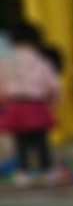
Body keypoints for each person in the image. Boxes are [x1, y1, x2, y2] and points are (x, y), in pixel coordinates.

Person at [1, 22, 62, 186]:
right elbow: (52, 83)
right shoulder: (41, 60)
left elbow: (2, 83)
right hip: (36, 104)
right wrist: (54, 98)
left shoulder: (7, 61)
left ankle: (23, 173)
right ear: (36, 40)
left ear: (13, 40)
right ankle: (47, 171)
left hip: (15, 104)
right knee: (41, 140)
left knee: (20, 141)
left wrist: (3, 101)